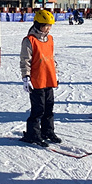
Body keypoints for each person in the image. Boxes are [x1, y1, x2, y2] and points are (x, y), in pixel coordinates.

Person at [19, 10, 60, 146]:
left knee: (49, 107)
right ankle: (33, 134)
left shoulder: (50, 39)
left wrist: (56, 73)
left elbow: (52, 58)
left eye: (50, 26)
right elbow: (25, 60)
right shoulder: (29, 40)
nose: (48, 28)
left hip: (49, 78)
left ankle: (48, 131)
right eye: (45, 25)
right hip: (36, 80)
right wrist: (26, 77)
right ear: (37, 24)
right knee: (38, 109)